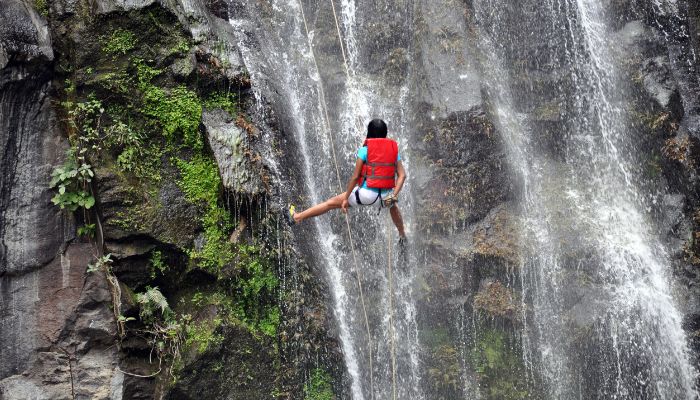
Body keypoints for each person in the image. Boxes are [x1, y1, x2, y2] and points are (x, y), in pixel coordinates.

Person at [287, 119, 406, 240]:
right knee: (393, 206)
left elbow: (355, 177)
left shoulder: (364, 151)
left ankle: (297, 217)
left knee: (329, 204)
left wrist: (345, 198)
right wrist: (393, 195)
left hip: (365, 195)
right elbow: (402, 175)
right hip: (384, 199)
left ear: (369, 133)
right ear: (385, 133)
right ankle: (402, 235)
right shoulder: (394, 152)